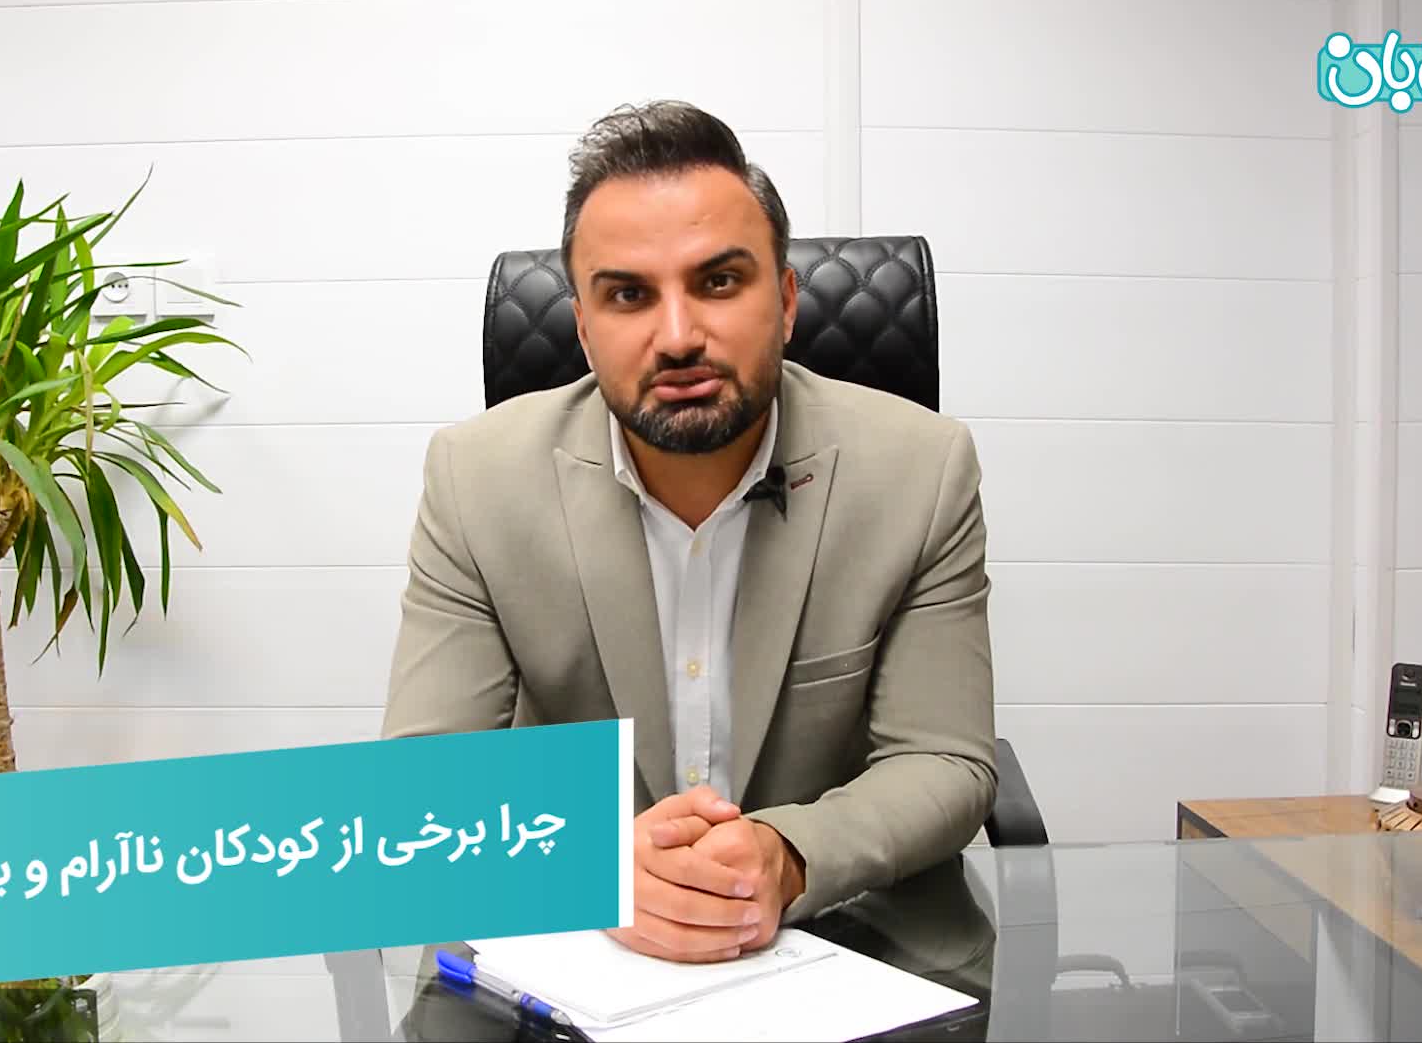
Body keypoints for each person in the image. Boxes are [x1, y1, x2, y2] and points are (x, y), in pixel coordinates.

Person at [381, 99, 996, 964]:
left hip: (837, 946)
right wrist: (591, 858)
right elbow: (423, 781)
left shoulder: (920, 469)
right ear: (583, 326)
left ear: (786, 302)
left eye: (719, 282)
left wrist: (785, 856)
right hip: (581, 956)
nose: (677, 337)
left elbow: (945, 761)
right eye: (628, 295)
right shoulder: (475, 477)